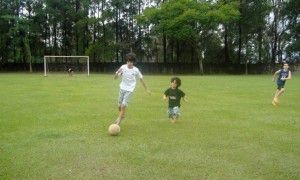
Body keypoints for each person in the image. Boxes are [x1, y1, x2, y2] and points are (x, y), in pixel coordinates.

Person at [113, 53, 151, 125]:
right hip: (122, 88)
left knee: (123, 105)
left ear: (133, 62)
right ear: (126, 61)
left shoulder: (136, 70)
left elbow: (141, 79)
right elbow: (115, 78)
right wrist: (117, 73)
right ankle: (122, 115)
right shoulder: (123, 67)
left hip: (129, 90)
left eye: (131, 62)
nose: (129, 63)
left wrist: (146, 89)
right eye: (128, 61)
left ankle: (118, 123)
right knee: (119, 106)